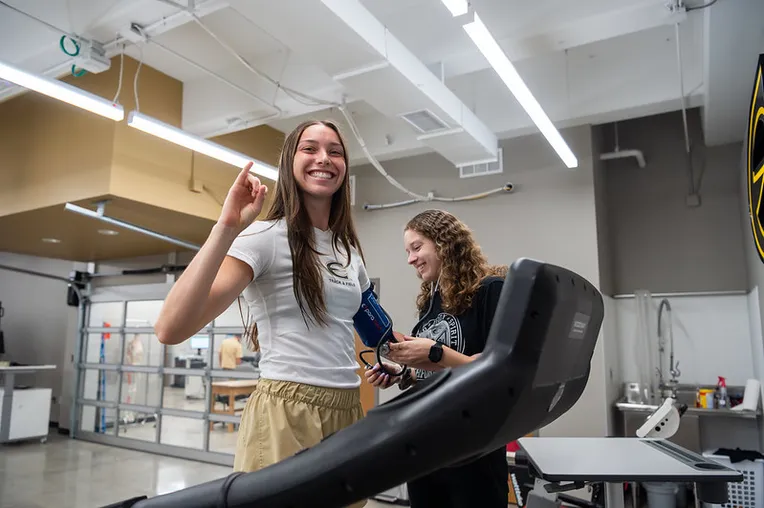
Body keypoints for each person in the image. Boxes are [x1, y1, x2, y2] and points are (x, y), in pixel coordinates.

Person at [154, 120, 370, 507]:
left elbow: (368, 323)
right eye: (310, 148)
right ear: (290, 161)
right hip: (287, 410)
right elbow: (171, 328)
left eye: (334, 151)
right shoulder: (265, 237)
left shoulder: (348, 251)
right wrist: (227, 226)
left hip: (348, 408)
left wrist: (402, 356)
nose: (324, 158)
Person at [365, 209, 509, 508]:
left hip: (472, 447)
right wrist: (402, 373)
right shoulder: (431, 302)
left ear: (444, 243)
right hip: (427, 441)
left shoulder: (490, 290)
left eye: (417, 247)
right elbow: (440, 371)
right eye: (407, 251)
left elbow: (500, 368)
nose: (410, 259)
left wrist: (435, 351)